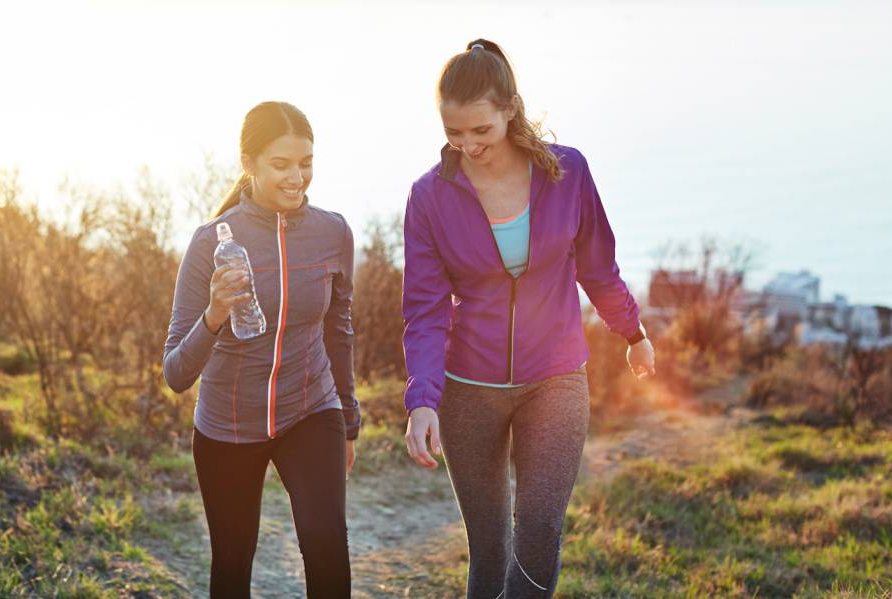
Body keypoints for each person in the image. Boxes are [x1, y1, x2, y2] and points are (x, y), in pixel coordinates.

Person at [401, 40, 656, 598]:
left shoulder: (567, 172)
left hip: (556, 377)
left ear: (510, 110)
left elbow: (597, 265)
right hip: (468, 387)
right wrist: (422, 398)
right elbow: (424, 309)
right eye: (453, 134)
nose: (468, 146)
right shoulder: (428, 197)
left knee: (539, 532)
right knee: (489, 553)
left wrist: (632, 332)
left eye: (481, 132)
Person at [163, 101, 359, 599]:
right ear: (248, 163)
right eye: (281, 164)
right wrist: (214, 315)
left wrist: (349, 421)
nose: (298, 178)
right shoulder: (211, 242)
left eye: (306, 162)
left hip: (311, 410)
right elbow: (176, 373)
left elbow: (340, 330)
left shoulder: (332, 233)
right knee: (232, 562)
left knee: (327, 549)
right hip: (228, 425)